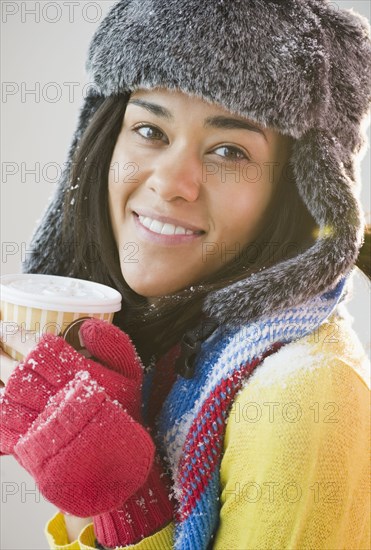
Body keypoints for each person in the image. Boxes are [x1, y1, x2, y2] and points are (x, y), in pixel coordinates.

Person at [1, 0, 370, 549]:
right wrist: (93, 495)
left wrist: (126, 504)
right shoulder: (169, 351)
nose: (172, 181)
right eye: (150, 130)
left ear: (297, 190)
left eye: (228, 149)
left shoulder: (305, 398)